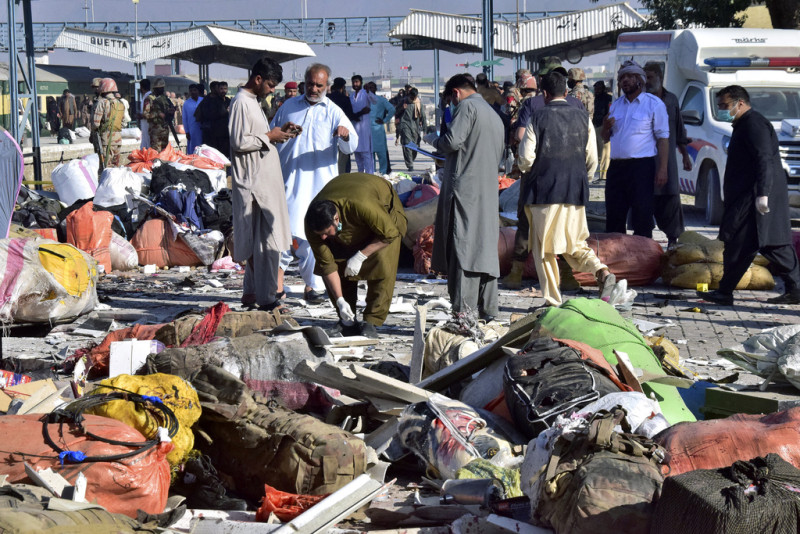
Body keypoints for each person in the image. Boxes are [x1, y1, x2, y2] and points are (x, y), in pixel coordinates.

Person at [517, 71, 615, 307]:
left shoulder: (538, 117)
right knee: (575, 243)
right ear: (566, 91)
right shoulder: (583, 117)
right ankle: (601, 271)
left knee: (544, 249)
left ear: (545, 93)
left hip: (544, 193)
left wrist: (526, 169)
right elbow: (592, 156)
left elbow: (526, 157)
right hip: (575, 191)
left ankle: (552, 300)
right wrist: (583, 179)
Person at [699, 85, 800, 306]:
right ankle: (725, 292)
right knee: (738, 245)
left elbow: (764, 159)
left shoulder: (754, 124)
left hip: (756, 197)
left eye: (725, 106)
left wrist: (762, 194)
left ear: (740, 103)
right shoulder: (742, 124)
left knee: (773, 245)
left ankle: (796, 290)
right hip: (746, 196)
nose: (722, 110)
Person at [270, 63, 358, 304]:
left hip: (319, 186)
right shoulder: (288, 106)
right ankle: (277, 286)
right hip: (288, 181)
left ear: (327, 86)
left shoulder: (334, 111)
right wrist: (281, 132)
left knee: (313, 236)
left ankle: (313, 285)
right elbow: (271, 135)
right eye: (310, 84)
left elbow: (351, 146)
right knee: (282, 235)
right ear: (304, 83)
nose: (314, 89)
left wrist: (345, 134)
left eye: (319, 85)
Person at [424, 74, 504, 320]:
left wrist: (431, 140)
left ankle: (464, 314)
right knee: (485, 251)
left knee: (463, 250)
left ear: (456, 93)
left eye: (450, 101)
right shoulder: (493, 114)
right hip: (488, 194)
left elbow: (452, 141)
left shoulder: (466, 107)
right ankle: (488, 310)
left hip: (464, 193)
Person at [229, 56, 295, 312]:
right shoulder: (240, 103)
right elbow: (239, 142)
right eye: (269, 84)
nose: (272, 90)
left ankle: (252, 292)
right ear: (257, 79)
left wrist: (278, 133)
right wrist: (270, 135)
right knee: (267, 242)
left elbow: (254, 138)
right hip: (254, 184)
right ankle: (267, 297)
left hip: (262, 181)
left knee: (263, 240)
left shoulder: (254, 102)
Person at [305, 173, 407, 338]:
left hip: (383, 212)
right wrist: (339, 300)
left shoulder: (363, 206)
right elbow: (327, 265)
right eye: (320, 234)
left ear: (336, 219)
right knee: (338, 262)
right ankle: (347, 320)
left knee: (382, 261)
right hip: (352, 210)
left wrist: (361, 255)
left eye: (325, 233)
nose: (322, 238)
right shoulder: (312, 224)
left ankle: (372, 321)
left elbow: (389, 234)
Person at [602, 60, 669, 239]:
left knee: (642, 216)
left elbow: (663, 139)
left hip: (642, 168)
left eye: (630, 76)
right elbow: (606, 138)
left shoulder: (654, 104)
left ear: (640, 80)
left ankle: (643, 261)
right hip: (616, 168)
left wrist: (662, 169)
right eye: (622, 77)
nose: (625, 80)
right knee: (614, 216)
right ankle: (617, 258)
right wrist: (605, 128)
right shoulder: (616, 105)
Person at [644, 63, 692, 248]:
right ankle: (645, 242)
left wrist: (685, 156)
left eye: (650, 77)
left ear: (659, 77)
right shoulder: (641, 100)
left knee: (670, 198)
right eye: (645, 78)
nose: (647, 82)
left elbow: (679, 130)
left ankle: (673, 239)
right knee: (645, 199)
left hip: (668, 162)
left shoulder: (671, 100)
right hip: (646, 161)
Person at [91, 78, 125, 171]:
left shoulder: (102, 103)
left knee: (106, 168)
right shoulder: (120, 103)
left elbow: (95, 124)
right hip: (118, 140)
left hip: (106, 140)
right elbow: (123, 122)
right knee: (116, 167)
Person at [327, 77, 358, 175]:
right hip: (342, 132)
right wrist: (362, 112)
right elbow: (351, 115)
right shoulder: (345, 99)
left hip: (328, 134)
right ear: (343, 87)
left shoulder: (327, 98)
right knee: (344, 161)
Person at [365, 81, 395, 175]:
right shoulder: (381, 100)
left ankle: (372, 173)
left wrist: (385, 120)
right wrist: (385, 120)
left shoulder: (364, 101)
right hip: (377, 128)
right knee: (381, 153)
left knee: (370, 154)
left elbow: (392, 109)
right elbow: (392, 109)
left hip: (368, 130)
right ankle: (383, 173)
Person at [195, 80, 231, 157]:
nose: (223, 91)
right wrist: (225, 111)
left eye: (225, 89)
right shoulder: (211, 101)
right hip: (212, 134)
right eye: (221, 89)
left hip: (225, 134)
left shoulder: (228, 100)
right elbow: (210, 115)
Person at [398, 87, 426, 172]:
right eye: (411, 96)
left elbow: (423, 117)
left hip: (415, 127)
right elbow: (396, 112)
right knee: (407, 144)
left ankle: (411, 160)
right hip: (405, 125)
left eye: (414, 97)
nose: (413, 98)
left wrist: (425, 131)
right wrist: (402, 108)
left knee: (415, 146)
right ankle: (410, 165)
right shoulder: (404, 101)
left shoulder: (419, 104)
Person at [349, 75, 373, 173]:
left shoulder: (366, 94)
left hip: (364, 127)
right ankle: (360, 175)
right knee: (357, 154)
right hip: (355, 126)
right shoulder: (351, 96)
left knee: (366, 154)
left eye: (357, 82)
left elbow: (374, 100)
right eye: (353, 82)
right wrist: (360, 113)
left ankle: (369, 175)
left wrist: (369, 91)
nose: (355, 84)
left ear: (361, 83)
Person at [143, 78, 175, 152]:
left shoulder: (165, 98)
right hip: (155, 130)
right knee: (155, 152)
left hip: (164, 129)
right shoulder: (149, 99)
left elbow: (171, 108)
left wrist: (171, 111)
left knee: (164, 152)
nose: (162, 90)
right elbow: (145, 114)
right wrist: (158, 114)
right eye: (160, 88)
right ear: (155, 89)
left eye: (162, 88)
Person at [591, 80, 612, 182]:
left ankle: (603, 176)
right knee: (600, 153)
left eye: (598, 88)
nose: (596, 90)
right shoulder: (596, 98)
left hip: (603, 126)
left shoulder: (607, 99)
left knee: (604, 153)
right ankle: (601, 175)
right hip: (596, 125)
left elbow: (609, 112)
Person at [182, 84, 204, 153]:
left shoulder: (203, 101)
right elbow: (184, 118)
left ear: (198, 91)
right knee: (193, 148)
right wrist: (187, 131)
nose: (193, 92)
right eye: (191, 91)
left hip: (202, 129)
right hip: (192, 130)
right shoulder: (186, 103)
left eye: (195, 90)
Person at [138, 78, 151, 149]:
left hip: (147, 125)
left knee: (148, 144)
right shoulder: (148, 96)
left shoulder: (147, 98)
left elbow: (147, 114)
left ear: (142, 88)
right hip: (146, 126)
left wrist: (140, 116)